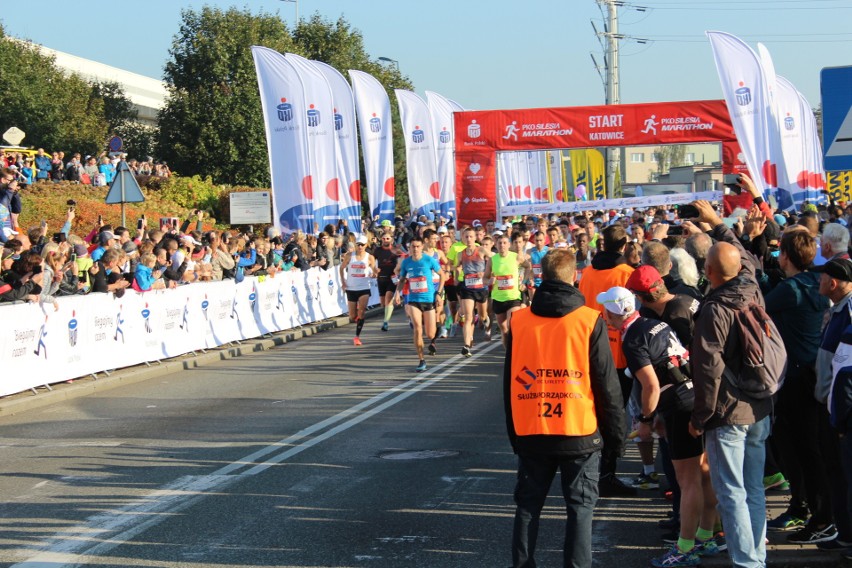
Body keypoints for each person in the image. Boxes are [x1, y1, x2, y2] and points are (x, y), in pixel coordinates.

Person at [504, 248, 626, 568]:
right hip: (578, 429)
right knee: (580, 510)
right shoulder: (588, 320)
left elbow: (509, 384)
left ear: (541, 275)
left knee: (528, 508)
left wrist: (514, 434)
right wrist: (616, 437)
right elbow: (606, 384)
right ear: (575, 277)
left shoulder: (520, 321)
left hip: (532, 427)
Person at [598, 285, 720, 566]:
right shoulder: (653, 323)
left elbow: (651, 387)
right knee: (703, 471)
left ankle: (686, 547)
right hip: (696, 396)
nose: (604, 316)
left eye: (607, 311)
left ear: (617, 313)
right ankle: (706, 535)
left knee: (687, 480)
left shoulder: (632, 339)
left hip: (679, 404)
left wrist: (645, 421)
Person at [687, 195, 773, 568]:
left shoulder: (715, 309)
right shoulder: (751, 285)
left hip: (729, 412)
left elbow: (707, 370)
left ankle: (747, 562)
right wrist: (718, 223)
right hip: (761, 405)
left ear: (708, 271)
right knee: (753, 488)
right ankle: (757, 556)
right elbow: (743, 254)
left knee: (731, 492)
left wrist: (700, 417)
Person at [577, 224, 637, 497]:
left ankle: (591, 469)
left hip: (591, 350)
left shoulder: (587, 273)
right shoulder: (627, 273)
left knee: (595, 413)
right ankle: (607, 474)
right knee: (615, 417)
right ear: (624, 245)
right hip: (620, 354)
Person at [394, 237, 443, 372]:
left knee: (430, 333)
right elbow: (403, 279)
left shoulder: (428, 260)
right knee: (417, 328)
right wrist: (397, 293)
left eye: (417, 246)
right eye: (412, 247)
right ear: (409, 248)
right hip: (413, 300)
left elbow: (442, 275)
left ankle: (433, 340)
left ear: (422, 247)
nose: (415, 249)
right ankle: (421, 360)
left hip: (428, 300)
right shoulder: (406, 262)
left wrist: (438, 293)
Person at [484, 233, 529, 344]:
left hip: (513, 298)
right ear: (496, 245)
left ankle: (516, 353)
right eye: (500, 243)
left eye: (504, 243)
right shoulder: (492, 260)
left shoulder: (516, 257)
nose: (502, 245)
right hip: (498, 299)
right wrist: (489, 281)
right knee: (504, 331)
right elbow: (485, 278)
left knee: (511, 327)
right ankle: (508, 355)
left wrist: (524, 282)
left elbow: (528, 267)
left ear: (509, 244)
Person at [455, 227, 491, 357]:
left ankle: (485, 319)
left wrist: (486, 272)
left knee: (482, 316)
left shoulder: (481, 250)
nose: (468, 239)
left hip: (481, 288)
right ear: (462, 239)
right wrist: (457, 274)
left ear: (475, 238)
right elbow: (457, 266)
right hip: (467, 288)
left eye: (471, 236)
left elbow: (494, 260)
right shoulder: (460, 254)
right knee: (468, 316)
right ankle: (466, 345)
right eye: (466, 237)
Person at [340, 234, 376, 346]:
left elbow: (374, 270)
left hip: (364, 287)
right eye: (358, 244)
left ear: (366, 245)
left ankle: (357, 337)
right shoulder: (350, 256)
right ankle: (358, 319)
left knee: (362, 311)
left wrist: (375, 274)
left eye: (362, 245)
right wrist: (343, 282)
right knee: (352, 316)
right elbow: (341, 268)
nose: (360, 247)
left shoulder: (369, 257)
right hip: (351, 288)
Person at [373, 232, 401, 331]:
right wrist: (374, 270)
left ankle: (385, 322)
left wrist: (399, 270)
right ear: (381, 239)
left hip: (392, 277)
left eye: (388, 238)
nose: (386, 240)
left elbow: (403, 258)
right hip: (381, 277)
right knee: (383, 303)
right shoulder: (377, 250)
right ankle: (386, 317)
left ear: (391, 239)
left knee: (388, 299)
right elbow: (371, 261)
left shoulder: (396, 250)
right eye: (384, 238)